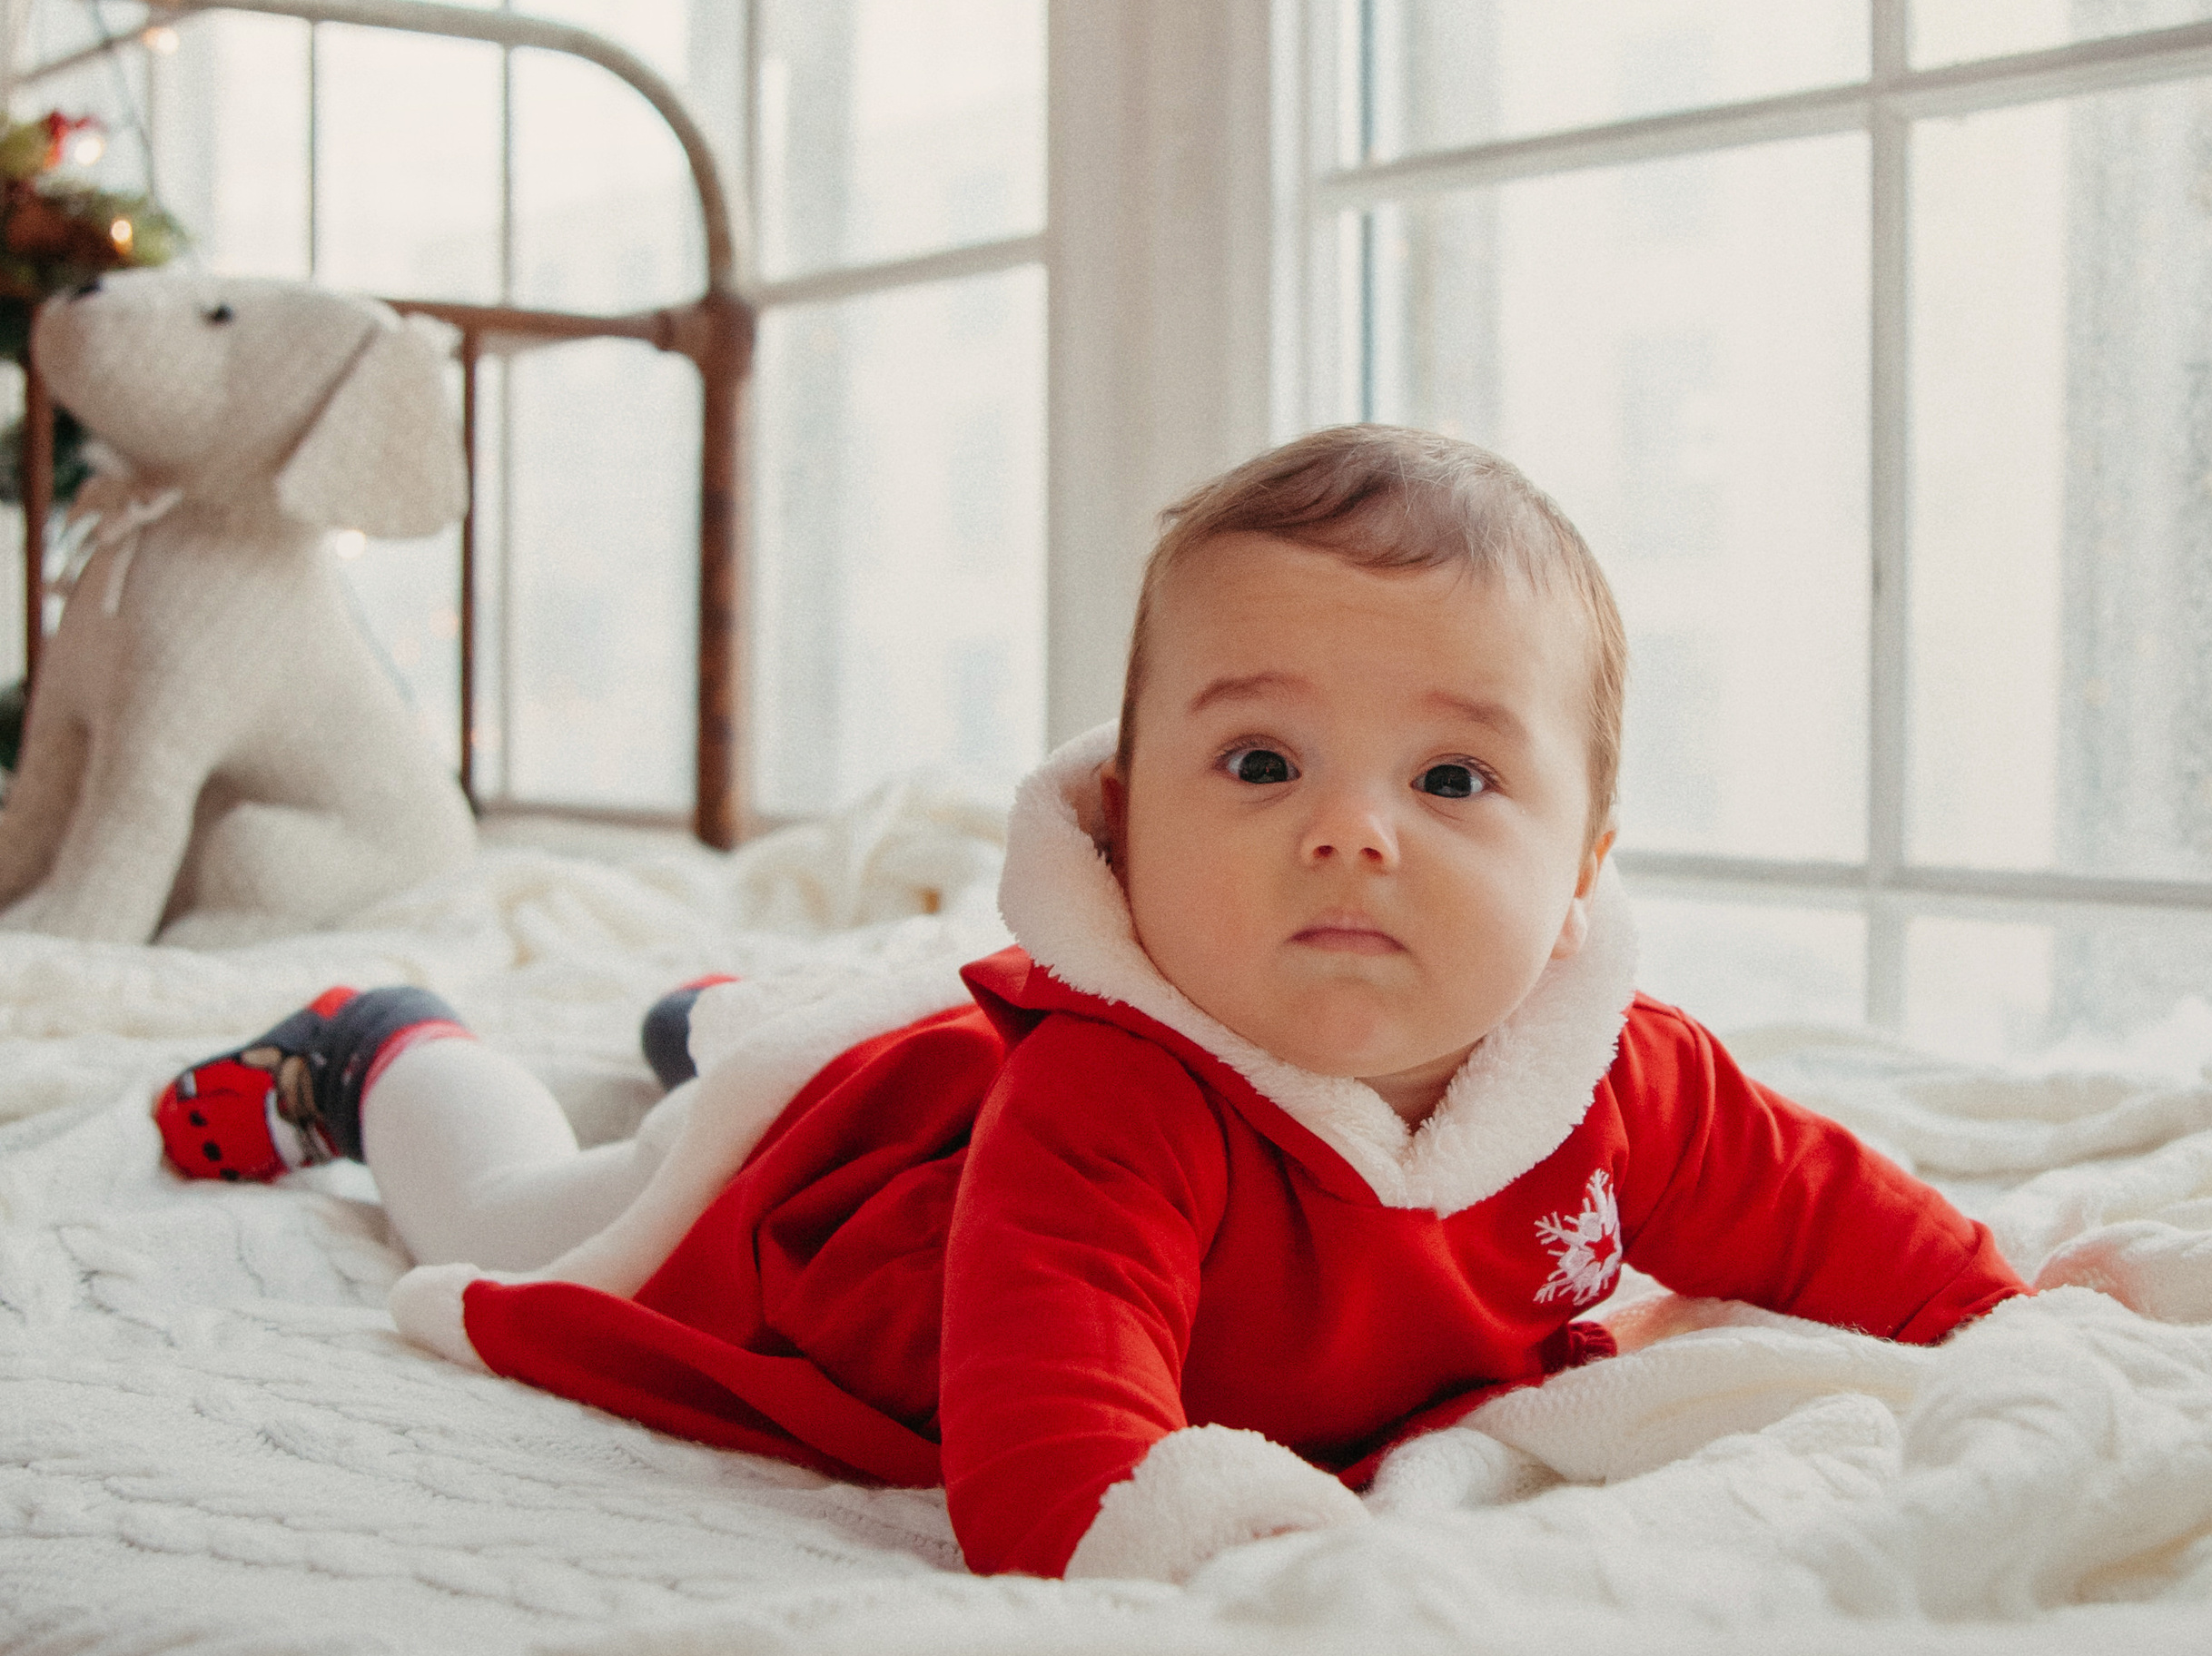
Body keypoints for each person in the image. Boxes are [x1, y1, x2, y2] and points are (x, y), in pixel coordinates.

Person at [154, 428, 2023, 1581]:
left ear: (1585, 864)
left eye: (1452, 780)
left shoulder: (1617, 1079)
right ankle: (384, 1042)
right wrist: (1253, 1569)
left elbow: (1836, 1224)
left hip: (946, 1090)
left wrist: (2010, 1319)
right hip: (836, 1206)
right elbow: (1054, 1480)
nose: (1351, 835)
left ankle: (704, 1018)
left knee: (751, 1036)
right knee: (525, 1218)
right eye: (1262, 763)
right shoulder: (1113, 1109)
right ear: (1126, 827)